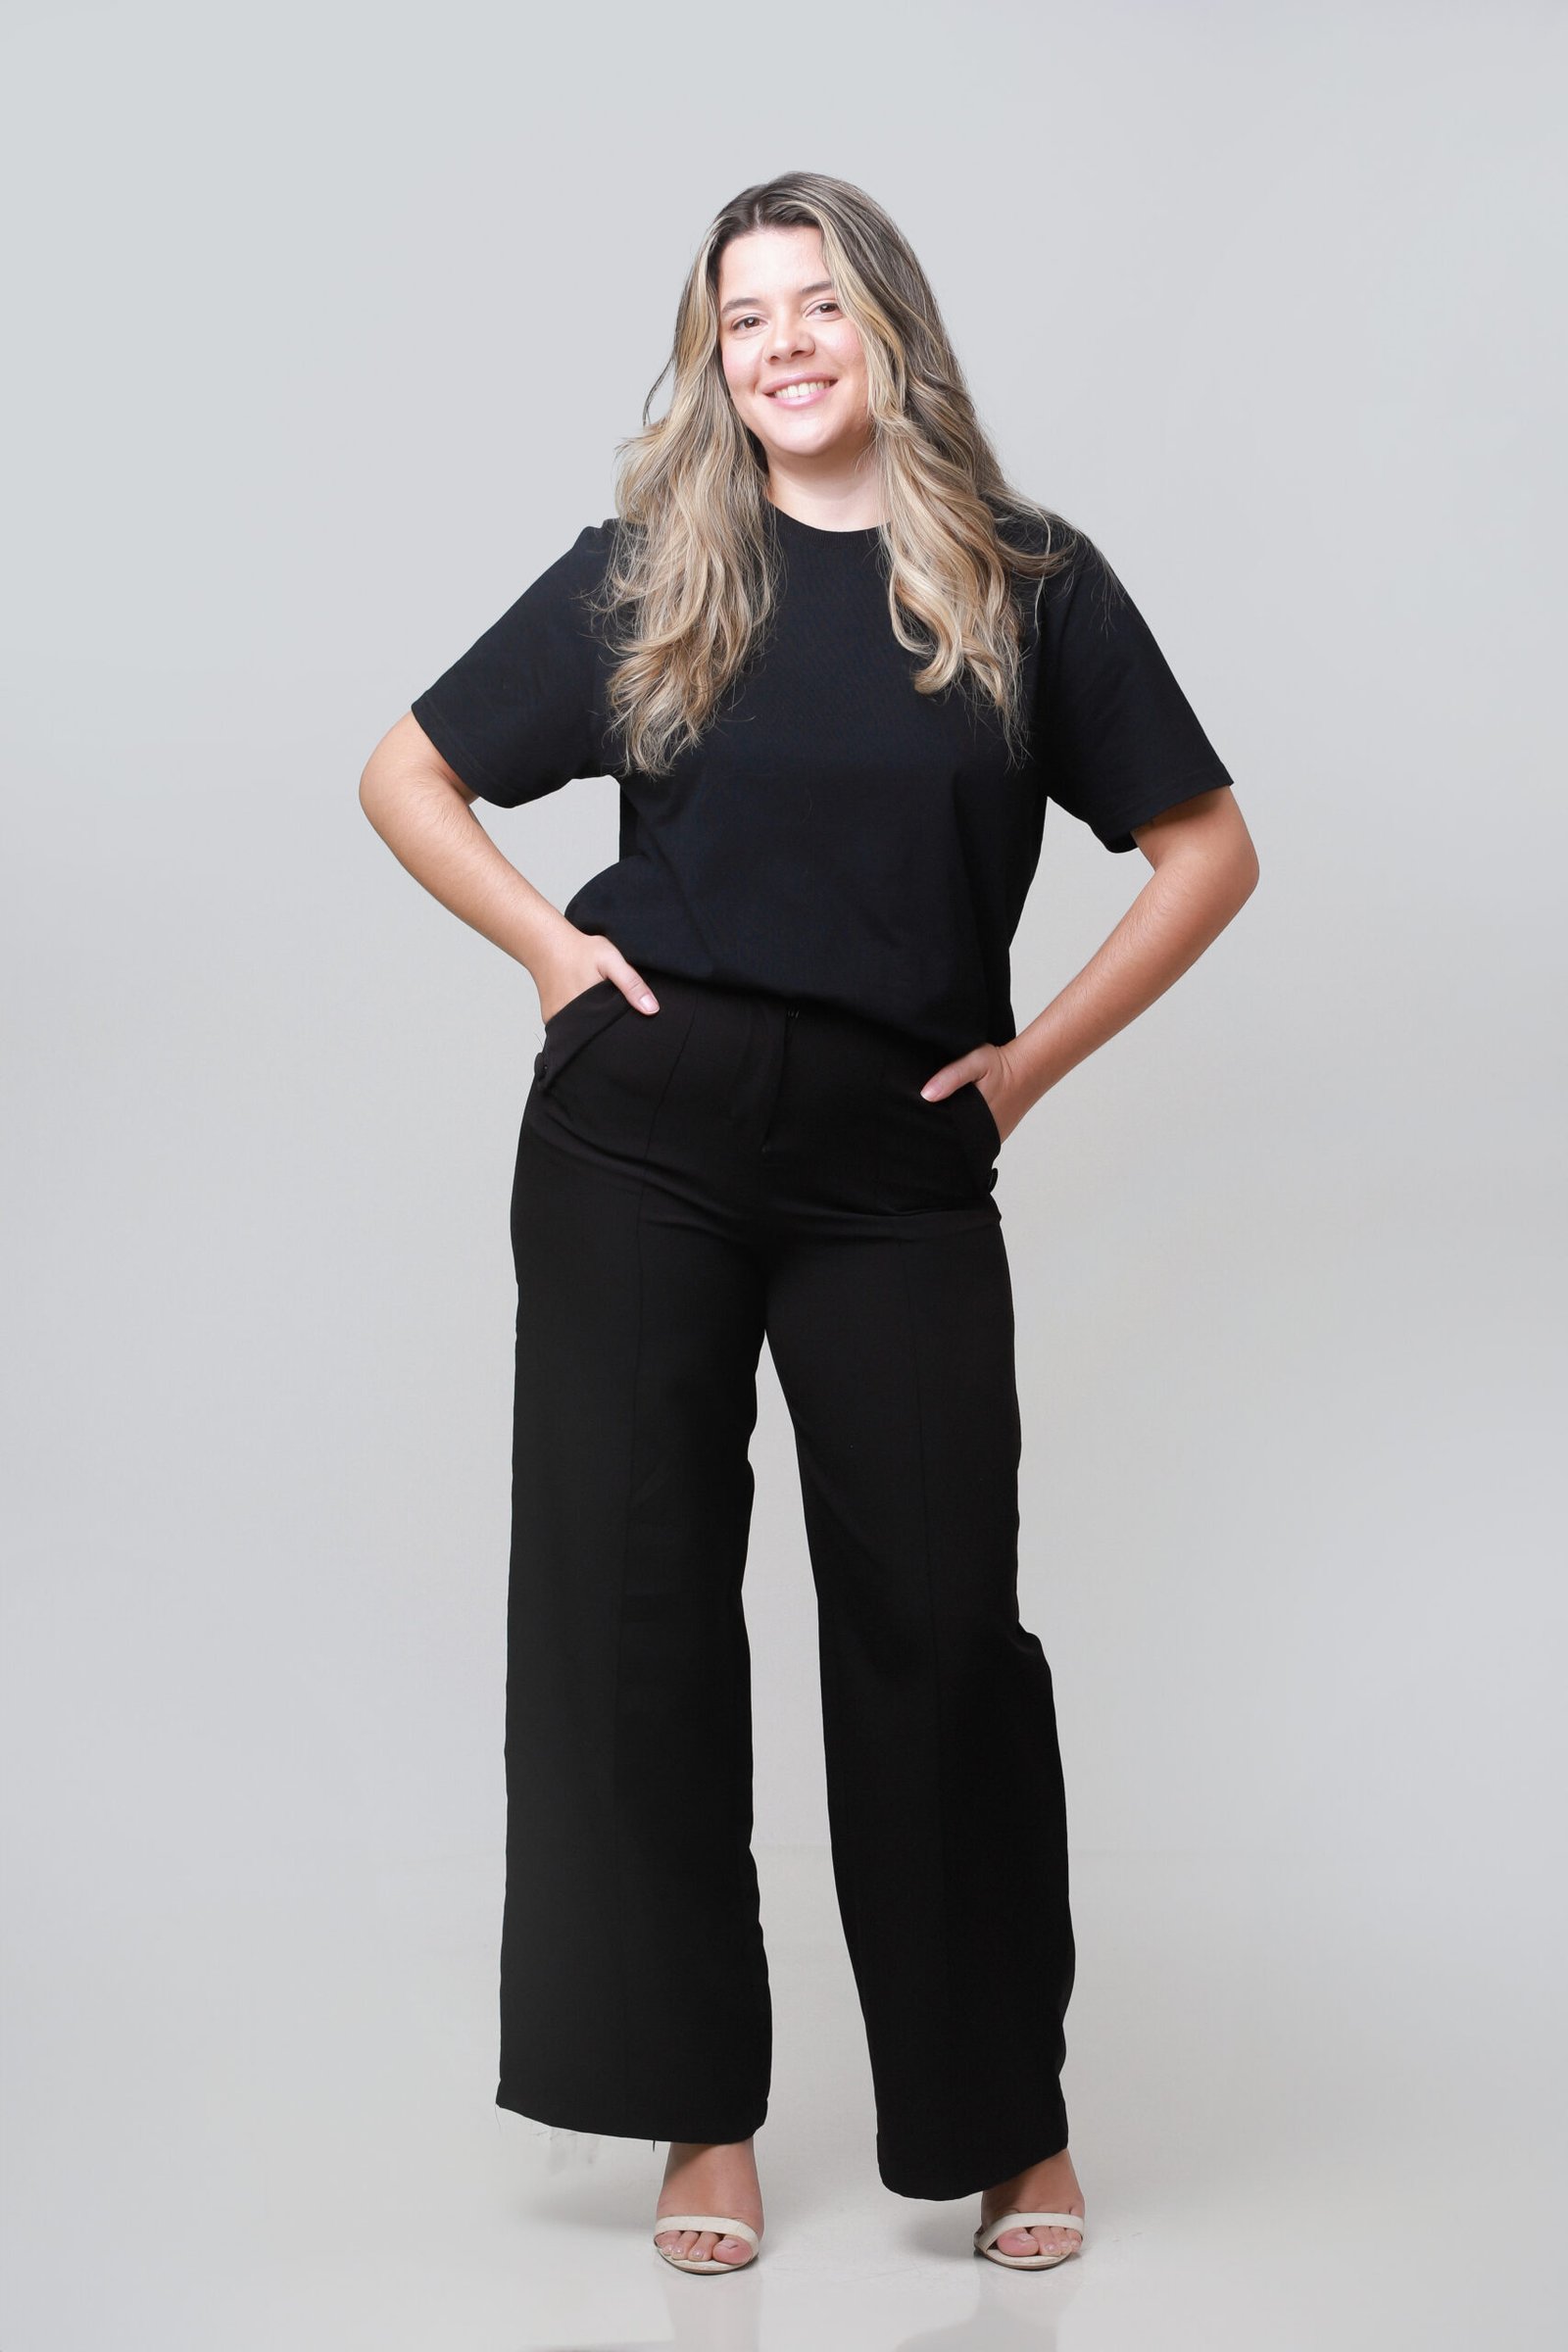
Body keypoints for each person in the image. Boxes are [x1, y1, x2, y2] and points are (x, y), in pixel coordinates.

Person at [359, 170, 1258, 2278]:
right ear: (716, 354)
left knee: (942, 1629)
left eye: (817, 304)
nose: (781, 344)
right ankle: (698, 2113)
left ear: (889, 330)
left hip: (893, 1170)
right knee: (637, 1619)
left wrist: (1024, 1065)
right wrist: (550, 953)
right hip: (640, 1144)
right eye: (744, 315)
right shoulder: (657, 568)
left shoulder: (1026, 585)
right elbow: (406, 772)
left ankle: (1001, 2118)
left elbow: (1205, 851)